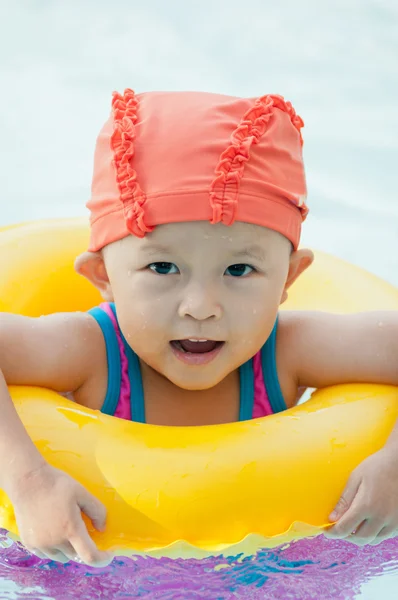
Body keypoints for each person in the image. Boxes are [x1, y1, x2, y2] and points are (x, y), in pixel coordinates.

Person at [0, 89, 397, 567]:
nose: (201, 308)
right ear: (102, 277)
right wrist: (29, 482)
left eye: (239, 271)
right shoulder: (89, 353)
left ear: (288, 278)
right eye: (164, 268)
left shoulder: (289, 349)